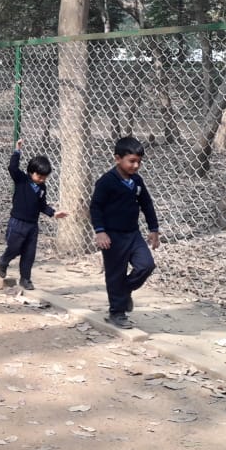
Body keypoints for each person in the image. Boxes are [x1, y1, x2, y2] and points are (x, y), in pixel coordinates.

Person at [89, 136, 160, 329]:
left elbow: (147, 204)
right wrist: (100, 231)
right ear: (117, 159)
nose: (136, 165)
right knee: (115, 274)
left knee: (146, 265)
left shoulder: (137, 181)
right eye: (132, 161)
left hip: (133, 234)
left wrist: (154, 229)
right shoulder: (106, 182)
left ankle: (125, 290)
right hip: (112, 237)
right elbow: (95, 207)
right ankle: (117, 313)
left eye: (139, 162)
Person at [0, 139, 69, 290]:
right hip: (17, 223)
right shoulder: (21, 180)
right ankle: (3, 260)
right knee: (14, 248)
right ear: (31, 172)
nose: (42, 180)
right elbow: (12, 167)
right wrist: (17, 151)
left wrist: (53, 213)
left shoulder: (42, 188)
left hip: (32, 225)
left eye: (44, 178)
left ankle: (25, 279)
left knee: (29, 253)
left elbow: (42, 205)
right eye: (39, 176)